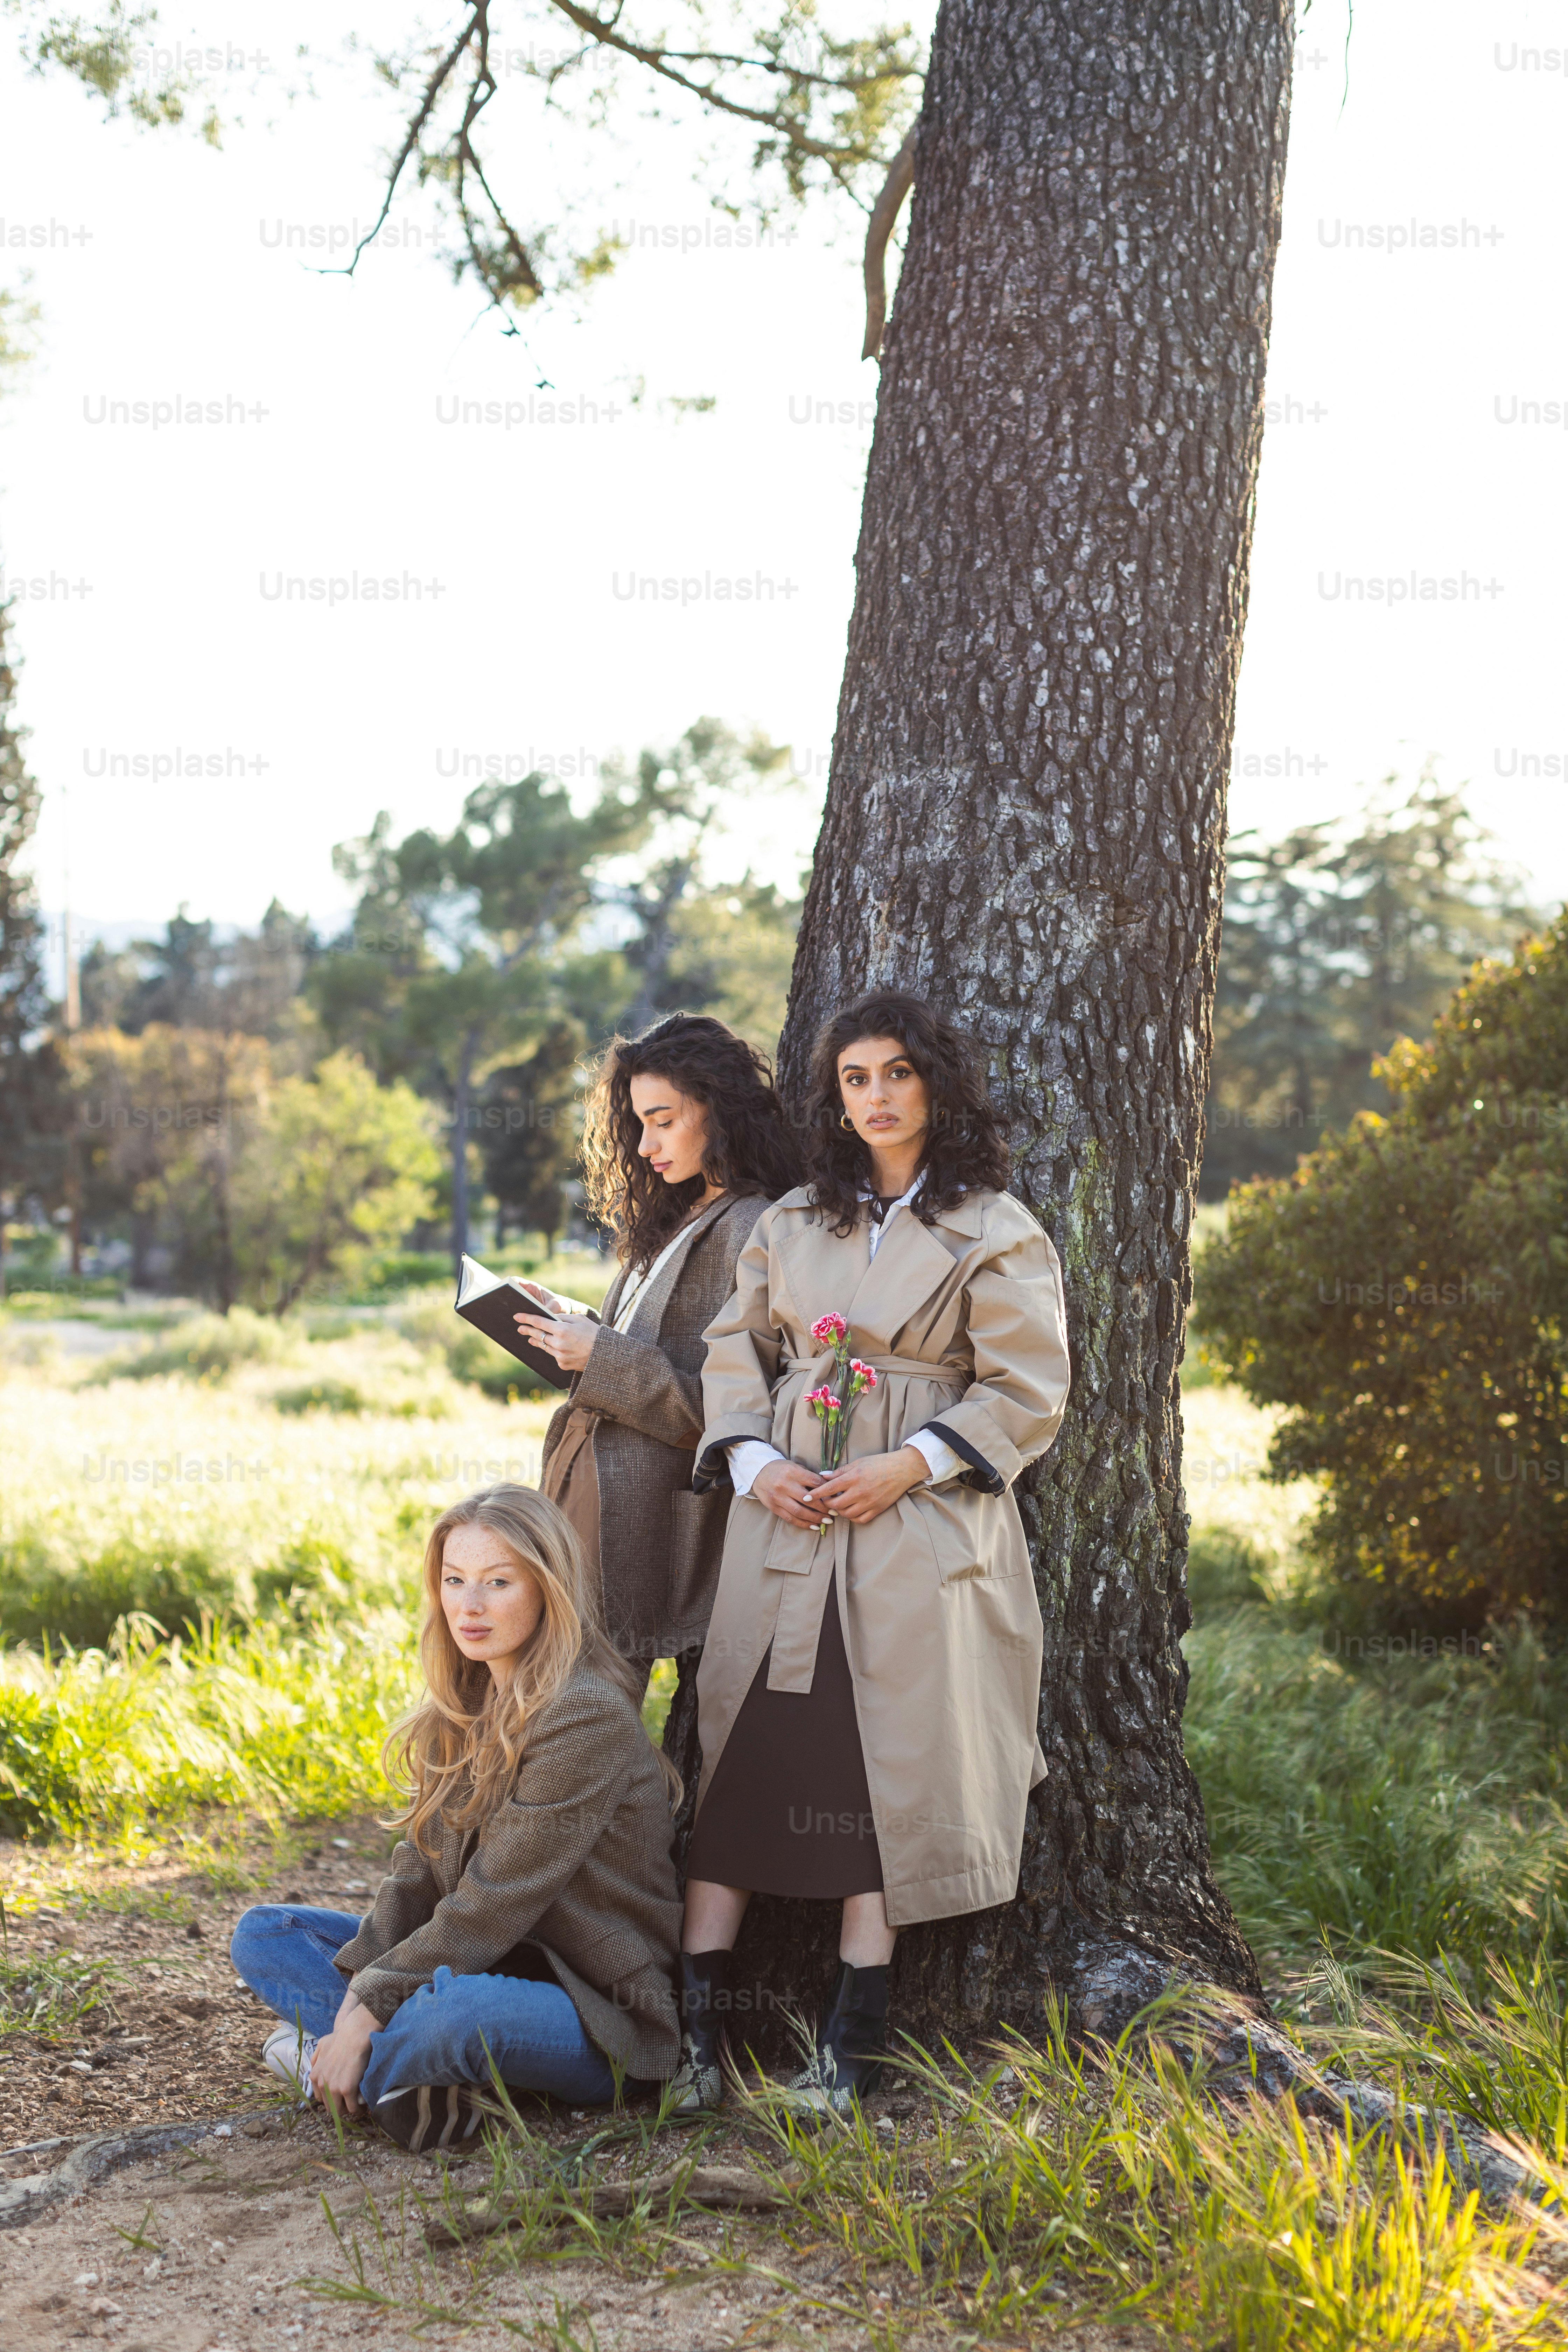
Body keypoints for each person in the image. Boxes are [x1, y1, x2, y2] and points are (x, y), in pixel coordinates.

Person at [674, 989, 1072, 2113]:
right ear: (835, 1097)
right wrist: (754, 1465)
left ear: (935, 1084)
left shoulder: (996, 1229)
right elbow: (733, 1354)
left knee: (881, 1770)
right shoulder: (795, 1220)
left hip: (915, 1527)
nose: (878, 1098)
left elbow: (1028, 1390)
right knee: (745, 1754)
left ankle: (850, 2060)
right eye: (856, 1080)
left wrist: (911, 1465)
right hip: (788, 1521)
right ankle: (697, 2046)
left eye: (897, 1074)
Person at [230, 1485, 683, 2154]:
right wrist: (365, 1996)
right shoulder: (463, 1704)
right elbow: (414, 1881)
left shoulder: (584, 1716)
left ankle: (337, 2069)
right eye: (455, 1581)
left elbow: (494, 1903)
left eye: (498, 1582)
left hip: (587, 2005)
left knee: (455, 2014)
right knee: (269, 1933)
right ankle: (398, 2079)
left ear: (546, 1590)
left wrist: (366, 2008)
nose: (469, 1606)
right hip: (473, 1962)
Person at [514, 1014, 800, 1690]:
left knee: (591, 1699)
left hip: (645, 1518)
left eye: (663, 1120)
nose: (645, 1145)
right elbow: (642, 1346)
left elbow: (740, 1408)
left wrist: (601, 1356)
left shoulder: (752, 1223)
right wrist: (575, 1325)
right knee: (552, 1686)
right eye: (639, 1124)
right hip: (587, 1487)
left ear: (719, 1109)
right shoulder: (678, 1217)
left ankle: (603, 1801)